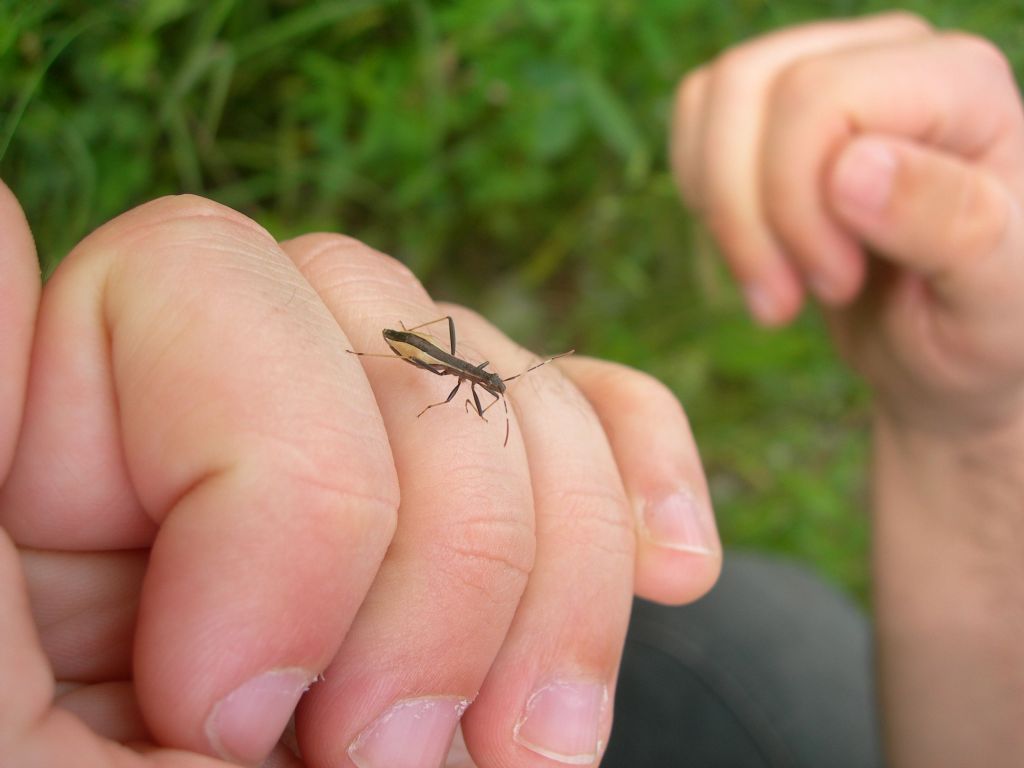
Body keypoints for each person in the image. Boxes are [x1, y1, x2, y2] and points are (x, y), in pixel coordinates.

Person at [0, 10, 1022, 768]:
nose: (488, 386)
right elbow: (448, 375)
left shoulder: (476, 383)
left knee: (762, 631)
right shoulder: (458, 369)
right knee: (774, 627)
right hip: (413, 357)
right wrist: (972, 427)